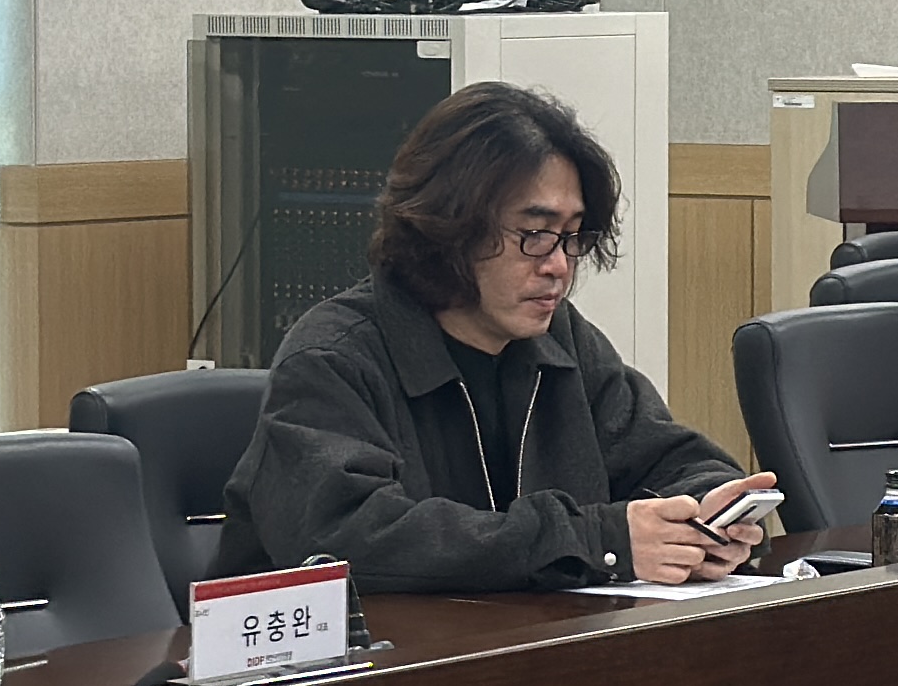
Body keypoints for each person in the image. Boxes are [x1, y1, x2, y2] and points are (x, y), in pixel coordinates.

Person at [215, 80, 774, 592]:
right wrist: (598, 539)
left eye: (571, 237)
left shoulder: (562, 341)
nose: (558, 265)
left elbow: (676, 459)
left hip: (524, 646)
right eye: (534, 234)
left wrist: (709, 520)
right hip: (360, 661)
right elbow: (351, 539)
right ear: (448, 227)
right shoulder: (332, 359)